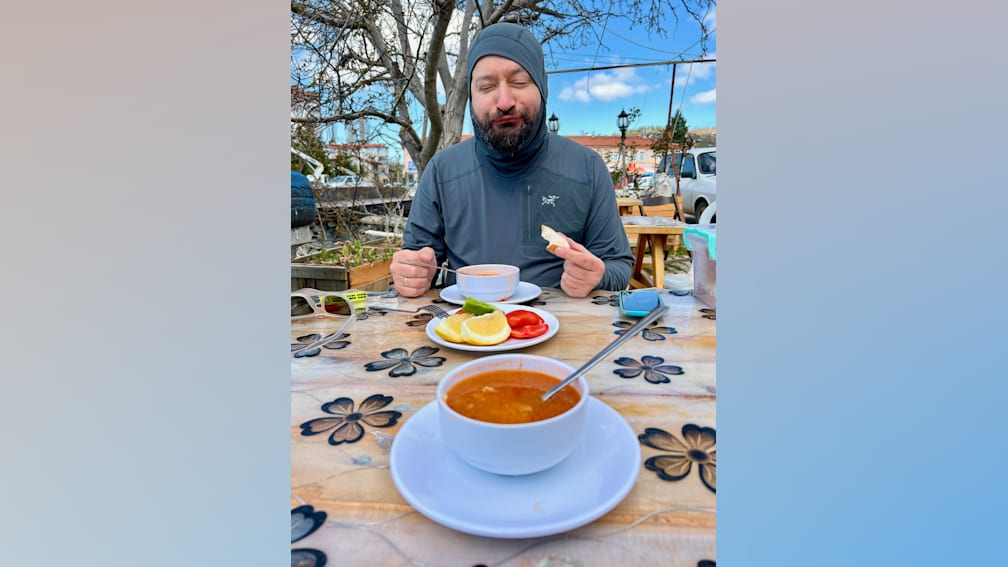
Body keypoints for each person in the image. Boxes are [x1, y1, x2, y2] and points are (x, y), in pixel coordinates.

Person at [390, 22, 634, 299]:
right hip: (471, 330)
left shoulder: (587, 167)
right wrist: (412, 273)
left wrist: (597, 275)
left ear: (542, 88)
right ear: (471, 97)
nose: (504, 101)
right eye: (486, 86)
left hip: (565, 330)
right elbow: (416, 262)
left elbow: (619, 267)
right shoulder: (442, 170)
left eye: (519, 82)